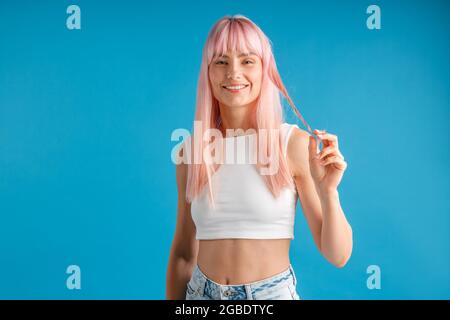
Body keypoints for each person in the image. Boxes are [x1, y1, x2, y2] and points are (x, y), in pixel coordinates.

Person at [166, 14, 352, 300]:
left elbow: (337, 255)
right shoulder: (190, 153)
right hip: (200, 295)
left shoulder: (292, 144)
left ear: (264, 69)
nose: (233, 73)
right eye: (221, 62)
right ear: (208, 72)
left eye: (247, 60)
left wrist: (329, 192)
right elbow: (182, 255)